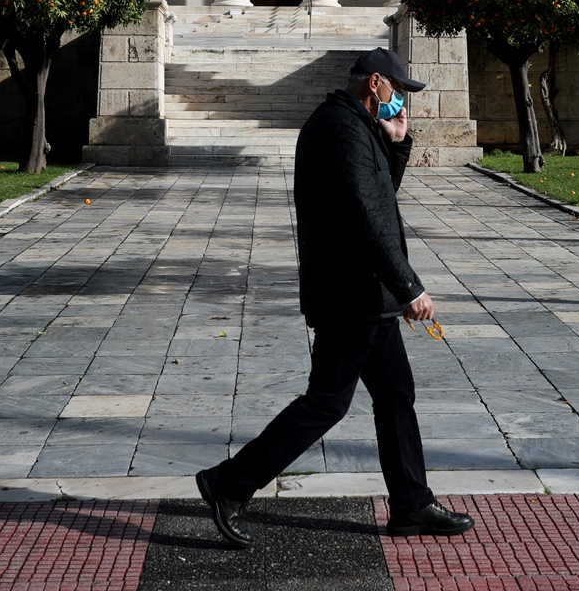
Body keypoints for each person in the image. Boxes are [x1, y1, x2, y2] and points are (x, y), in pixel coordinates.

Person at [196, 48, 475, 547]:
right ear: (375, 84)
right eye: (397, 92)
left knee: (395, 396)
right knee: (327, 403)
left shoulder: (353, 126)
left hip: (366, 295)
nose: (400, 102)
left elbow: (379, 195)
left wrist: (398, 143)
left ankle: (411, 504)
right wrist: (410, 287)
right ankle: (229, 483)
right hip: (352, 295)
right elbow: (368, 218)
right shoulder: (339, 129)